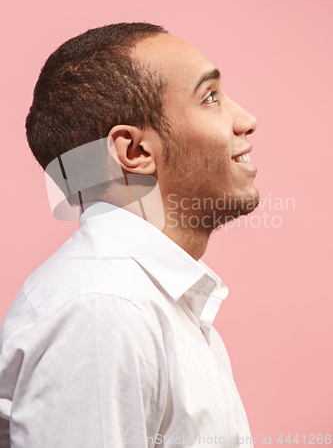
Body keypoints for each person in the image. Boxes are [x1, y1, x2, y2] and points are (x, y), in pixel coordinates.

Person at [0, 22, 259, 447]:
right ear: (135, 152)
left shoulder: (154, 301)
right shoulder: (103, 310)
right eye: (210, 97)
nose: (247, 120)